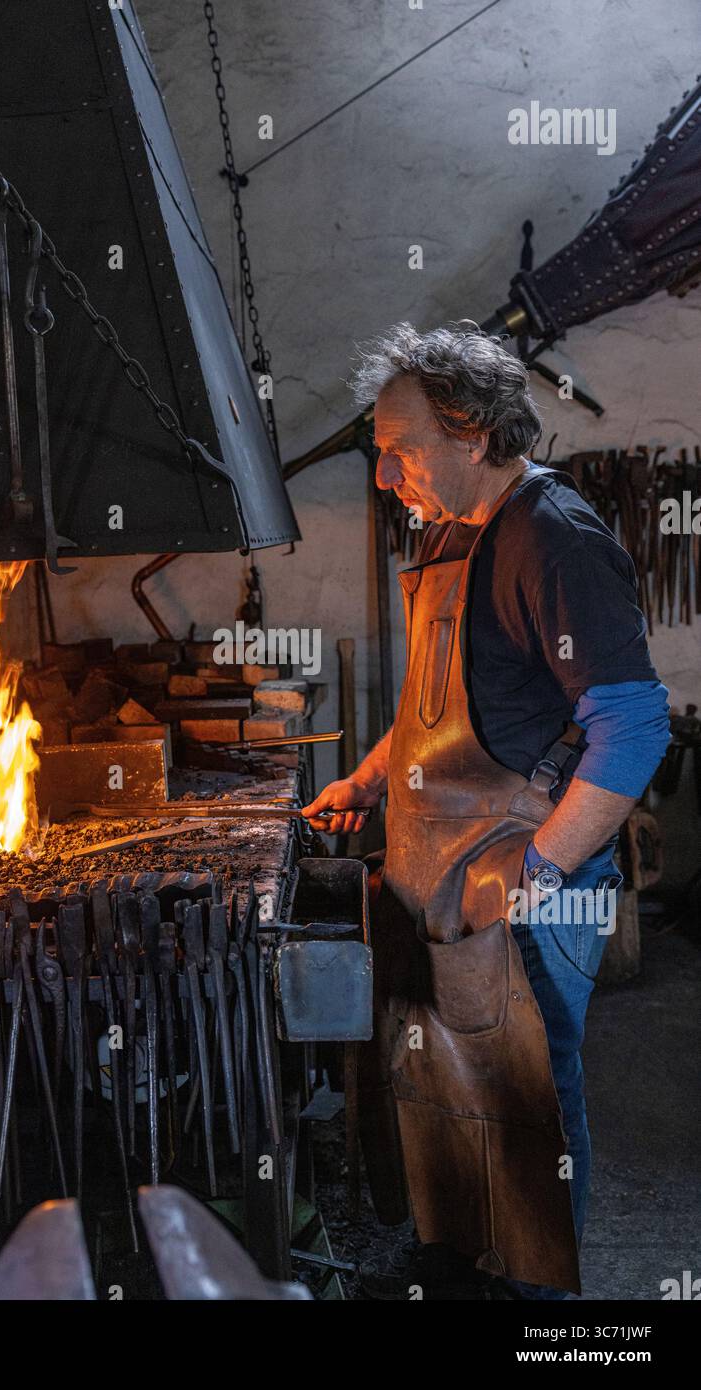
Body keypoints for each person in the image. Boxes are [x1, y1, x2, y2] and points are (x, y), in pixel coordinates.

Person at [302, 322, 671, 1299]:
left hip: (521, 891)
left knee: (528, 1096)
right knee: (447, 1082)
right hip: (442, 876)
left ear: (473, 434)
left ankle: (544, 1300)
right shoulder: (449, 532)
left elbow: (633, 728)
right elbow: (438, 698)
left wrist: (539, 871)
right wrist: (370, 779)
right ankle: (465, 1263)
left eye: (398, 450)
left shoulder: (555, 538)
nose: (384, 477)